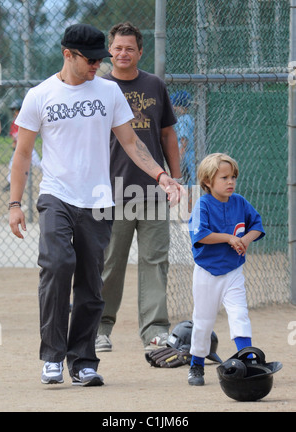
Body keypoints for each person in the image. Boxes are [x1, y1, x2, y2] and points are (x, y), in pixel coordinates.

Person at [8, 23, 182, 387]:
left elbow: (132, 143)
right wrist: (13, 203)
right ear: (67, 54)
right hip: (56, 195)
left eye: (99, 59)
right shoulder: (40, 95)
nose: (97, 66)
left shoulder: (108, 92)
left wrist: (161, 175)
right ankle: (53, 357)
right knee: (57, 266)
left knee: (91, 282)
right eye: (90, 60)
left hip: (99, 200)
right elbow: (22, 154)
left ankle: (84, 360)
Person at [95, 22, 182, 352]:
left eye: (129, 48)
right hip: (110, 191)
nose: (122, 53)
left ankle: (155, 331)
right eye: (117, 48)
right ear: (109, 51)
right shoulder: (99, 88)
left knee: (155, 261)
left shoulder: (154, 85)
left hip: (153, 191)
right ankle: (100, 328)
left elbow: (167, 135)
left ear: (140, 52)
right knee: (108, 262)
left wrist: (174, 178)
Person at [188, 153, 265, 386]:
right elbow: (201, 235)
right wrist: (230, 238)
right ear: (208, 182)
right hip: (207, 273)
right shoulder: (203, 204)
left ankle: (248, 358)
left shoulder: (240, 202)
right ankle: (196, 364)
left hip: (233, 272)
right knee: (203, 321)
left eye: (233, 177)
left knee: (239, 313)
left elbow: (257, 225)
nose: (230, 182)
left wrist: (246, 240)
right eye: (224, 178)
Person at [3, 99, 42, 192]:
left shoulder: (26, 121)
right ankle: (10, 183)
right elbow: (13, 138)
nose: (15, 113)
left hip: (29, 148)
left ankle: (50, 178)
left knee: (39, 165)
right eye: (14, 111)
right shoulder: (14, 123)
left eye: (16, 110)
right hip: (17, 149)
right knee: (12, 165)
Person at [170, 90, 196, 187]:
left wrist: (180, 156)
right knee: (191, 182)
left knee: (186, 183)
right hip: (190, 155)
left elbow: (184, 139)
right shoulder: (189, 117)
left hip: (185, 155)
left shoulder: (182, 120)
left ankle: (189, 202)